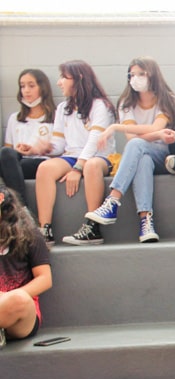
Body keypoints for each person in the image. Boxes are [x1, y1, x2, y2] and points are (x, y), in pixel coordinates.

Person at [84, 57, 175, 243]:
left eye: (141, 74)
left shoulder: (167, 99)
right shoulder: (126, 102)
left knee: (136, 145)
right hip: (141, 153)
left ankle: (113, 200)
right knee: (142, 158)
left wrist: (116, 127)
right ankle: (146, 222)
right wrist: (157, 134)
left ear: (152, 75)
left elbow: (155, 127)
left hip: (163, 154)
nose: (135, 78)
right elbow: (133, 137)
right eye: (132, 75)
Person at [35, 59, 116, 247]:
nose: (59, 82)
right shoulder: (63, 108)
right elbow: (59, 145)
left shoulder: (100, 105)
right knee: (45, 168)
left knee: (92, 166)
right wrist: (43, 149)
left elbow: (94, 140)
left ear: (79, 78)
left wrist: (78, 168)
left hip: (99, 157)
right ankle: (45, 230)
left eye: (64, 77)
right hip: (71, 156)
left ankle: (92, 227)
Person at [0, 186, 52, 348]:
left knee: (19, 300)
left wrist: (6, 296)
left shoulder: (29, 234)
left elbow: (45, 279)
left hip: (19, 314)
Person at [0, 69, 56, 207]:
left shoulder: (56, 117)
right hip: (17, 163)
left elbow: (62, 150)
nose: (26, 90)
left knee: (20, 165)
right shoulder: (14, 118)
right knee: (6, 153)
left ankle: (19, 207)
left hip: (42, 164)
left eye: (31, 86)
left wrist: (39, 149)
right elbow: (7, 152)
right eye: (22, 86)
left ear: (42, 88)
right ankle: (22, 208)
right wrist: (18, 151)